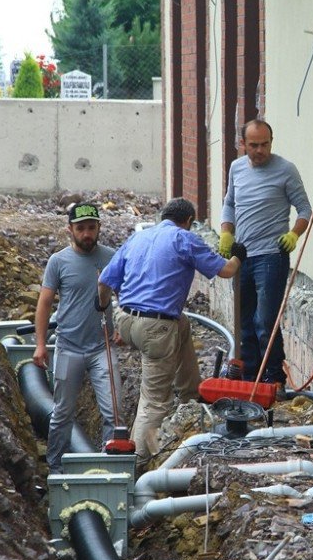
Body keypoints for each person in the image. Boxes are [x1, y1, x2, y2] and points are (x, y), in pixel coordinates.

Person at [97, 197, 246, 466]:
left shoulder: (138, 238)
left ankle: (191, 393)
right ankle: (136, 465)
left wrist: (105, 308)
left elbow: (104, 282)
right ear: (188, 221)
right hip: (156, 328)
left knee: (183, 324)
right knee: (154, 402)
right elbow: (226, 271)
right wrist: (238, 256)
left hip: (126, 319)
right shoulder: (184, 239)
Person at [219, 119, 311, 387]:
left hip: (272, 256)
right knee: (245, 320)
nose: (260, 150)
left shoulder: (285, 170)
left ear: (272, 142)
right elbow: (229, 204)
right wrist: (226, 231)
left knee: (265, 320)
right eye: (254, 145)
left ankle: (273, 376)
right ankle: (250, 376)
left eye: (265, 144)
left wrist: (294, 234)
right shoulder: (236, 168)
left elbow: (304, 209)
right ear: (242, 144)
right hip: (242, 256)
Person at [34, 201, 121, 475]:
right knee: (62, 413)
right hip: (68, 347)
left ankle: (112, 466)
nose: (86, 234)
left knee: (113, 412)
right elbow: (44, 303)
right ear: (69, 229)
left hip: (102, 348)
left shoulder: (111, 258)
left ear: (99, 228)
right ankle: (56, 468)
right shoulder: (58, 262)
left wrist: (122, 326)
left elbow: (126, 295)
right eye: (80, 228)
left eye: (91, 228)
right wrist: (40, 344)